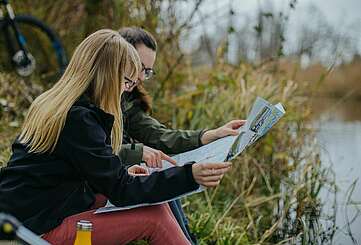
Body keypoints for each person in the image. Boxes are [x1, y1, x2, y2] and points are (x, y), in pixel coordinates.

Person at [0, 29, 232, 245]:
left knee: (154, 202)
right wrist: (190, 175)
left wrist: (122, 173)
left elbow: (61, 172)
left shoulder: (58, 104)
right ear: (107, 75)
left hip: (28, 212)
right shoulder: (79, 119)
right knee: (155, 218)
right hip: (32, 230)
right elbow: (122, 191)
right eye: (127, 81)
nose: (127, 89)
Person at [118, 27, 245, 243]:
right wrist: (137, 153)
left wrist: (209, 135)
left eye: (147, 71)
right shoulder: (89, 104)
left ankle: (187, 238)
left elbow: (160, 136)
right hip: (94, 186)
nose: (140, 77)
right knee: (159, 179)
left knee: (165, 172)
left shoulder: (127, 100)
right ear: (118, 56)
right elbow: (96, 152)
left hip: (110, 176)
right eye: (139, 67)